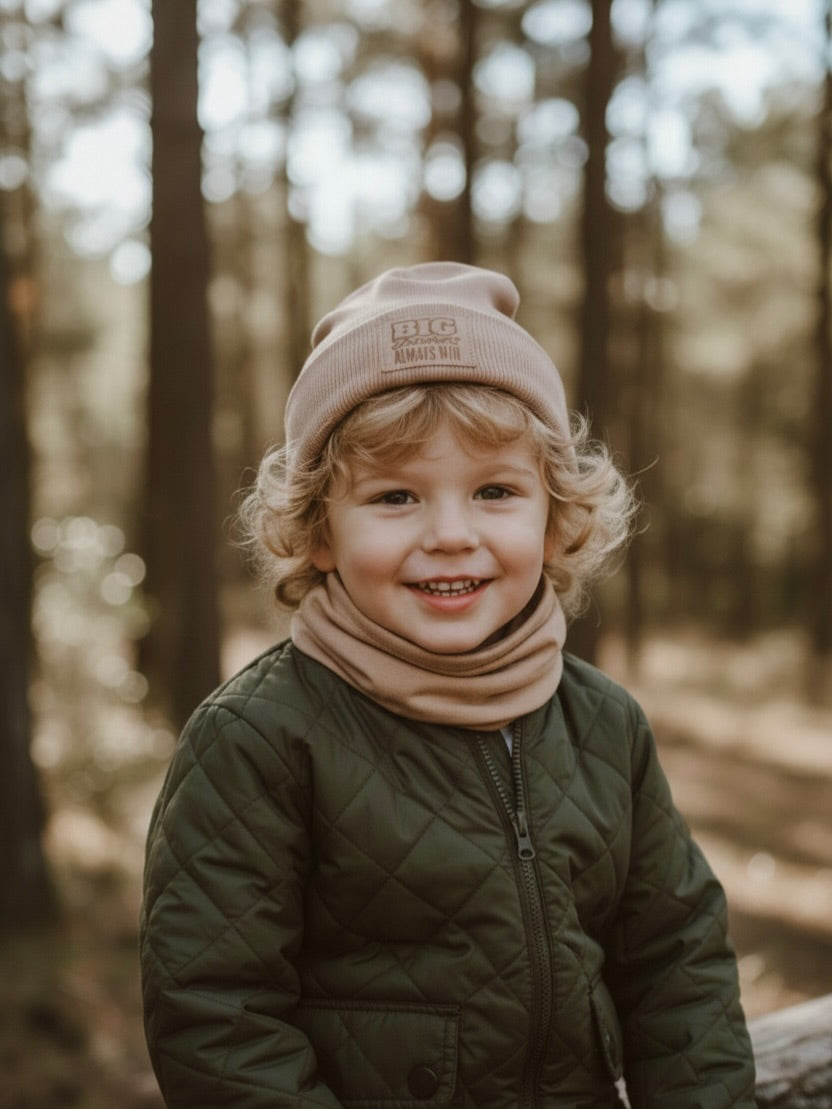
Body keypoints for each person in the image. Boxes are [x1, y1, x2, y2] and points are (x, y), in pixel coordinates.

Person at [140, 262, 757, 1108]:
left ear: (554, 515)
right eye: (396, 496)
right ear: (319, 531)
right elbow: (219, 1019)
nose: (452, 535)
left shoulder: (602, 723)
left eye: (496, 491)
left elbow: (679, 964)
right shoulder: (258, 738)